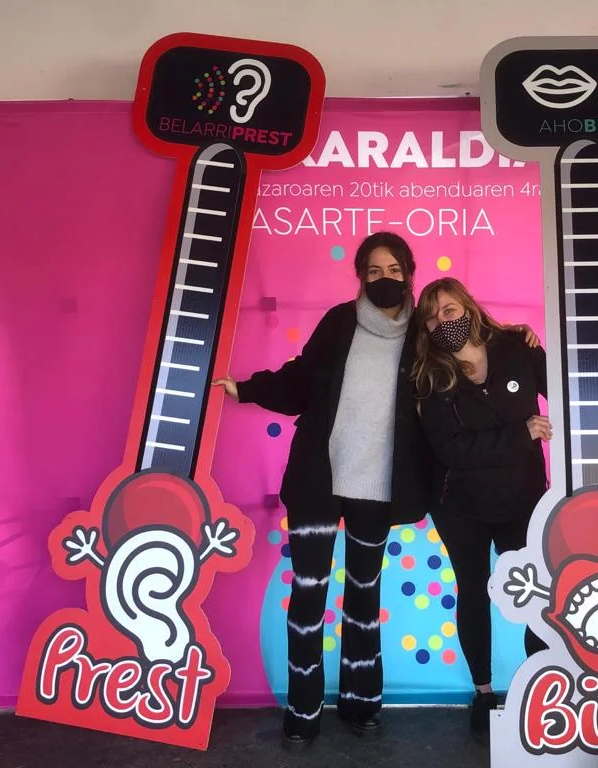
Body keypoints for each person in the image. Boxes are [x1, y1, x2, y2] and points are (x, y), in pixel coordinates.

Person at [211, 233, 536, 748]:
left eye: (394, 270)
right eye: (374, 271)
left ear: (409, 274)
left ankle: (362, 701)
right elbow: (301, 378)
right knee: (308, 594)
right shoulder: (339, 322)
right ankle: (303, 709)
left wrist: (510, 334)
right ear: (361, 276)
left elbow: (472, 354)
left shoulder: (425, 338)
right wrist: (247, 388)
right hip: (318, 481)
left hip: (380, 487)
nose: (385, 279)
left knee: (364, 596)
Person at [411, 276, 598, 741]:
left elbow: (569, 389)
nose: (442, 321)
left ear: (468, 307)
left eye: (449, 310)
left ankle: (542, 685)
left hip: (522, 497)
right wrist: (520, 434)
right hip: (459, 504)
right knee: (474, 592)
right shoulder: (430, 378)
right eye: (432, 317)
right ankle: (483, 694)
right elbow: (452, 451)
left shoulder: (513, 347)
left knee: (538, 595)